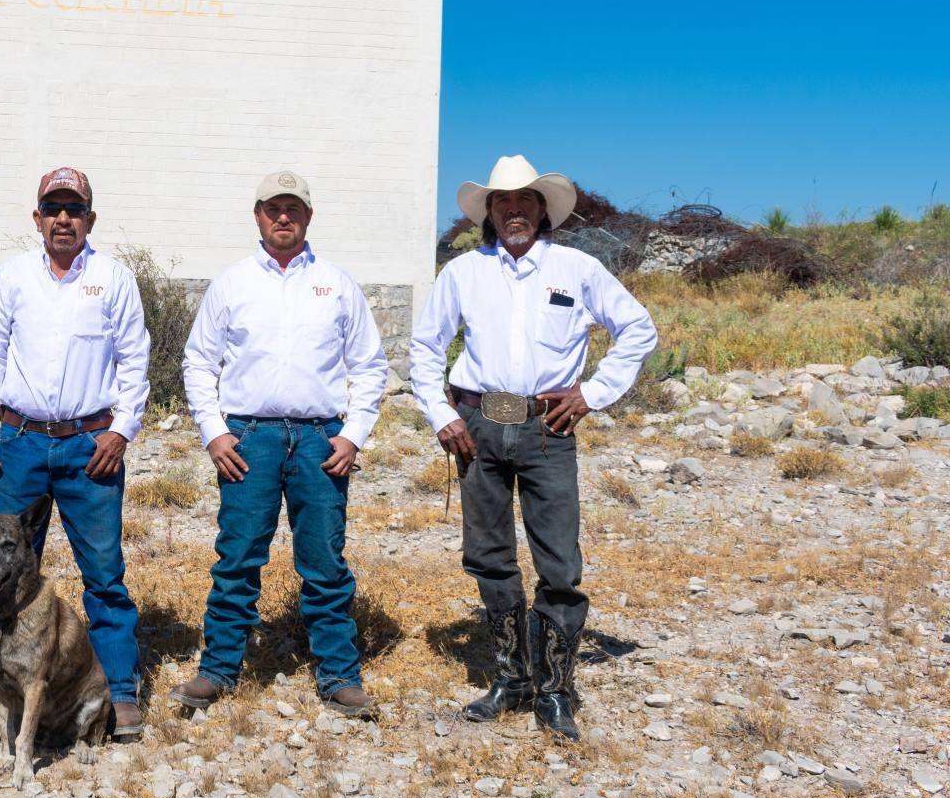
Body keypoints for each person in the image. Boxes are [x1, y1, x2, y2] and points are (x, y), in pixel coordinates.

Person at [410, 155, 658, 740]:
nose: (513, 210)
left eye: (524, 200)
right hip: (478, 425)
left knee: (559, 564)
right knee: (488, 555)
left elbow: (638, 329)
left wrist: (594, 392)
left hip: (550, 428)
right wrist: (442, 414)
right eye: (502, 202)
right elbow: (426, 346)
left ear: (542, 210)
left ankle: (554, 689)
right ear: (489, 214)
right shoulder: (464, 272)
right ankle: (510, 677)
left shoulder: (578, 268)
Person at [175, 171, 387, 716]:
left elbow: (369, 365)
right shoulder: (232, 284)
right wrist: (214, 432)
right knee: (238, 556)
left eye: (293, 208)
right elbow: (198, 362)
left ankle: (339, 676)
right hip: (250, 439)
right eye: (274, 208)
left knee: (324, 560)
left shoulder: (338, 285)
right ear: (258, 215)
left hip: (321, 441)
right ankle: (219, 669)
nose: (283, 218)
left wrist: (353, 435)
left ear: (309, 216)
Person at [0, 167, 150, 741]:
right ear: (37, 217)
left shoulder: (113, 280)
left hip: (91, 448)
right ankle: (0, 684)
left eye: (74, 209)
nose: (63, 218)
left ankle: (118, 689)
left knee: (104, 573)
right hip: (20, 444)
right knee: (6, 571)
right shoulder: (14, 277)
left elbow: (135, 362)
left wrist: (121, 431)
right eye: (53, 208)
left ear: (90, 219)